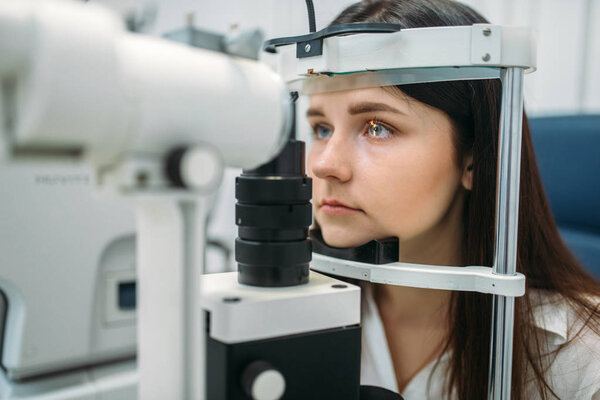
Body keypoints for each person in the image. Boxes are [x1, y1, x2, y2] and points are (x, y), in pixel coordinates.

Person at [305, 1, 600, 399]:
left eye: (377, 127)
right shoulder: (293, 313)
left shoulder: (580, 359)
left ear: (474, 159)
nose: (325, 165)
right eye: (321, 128)